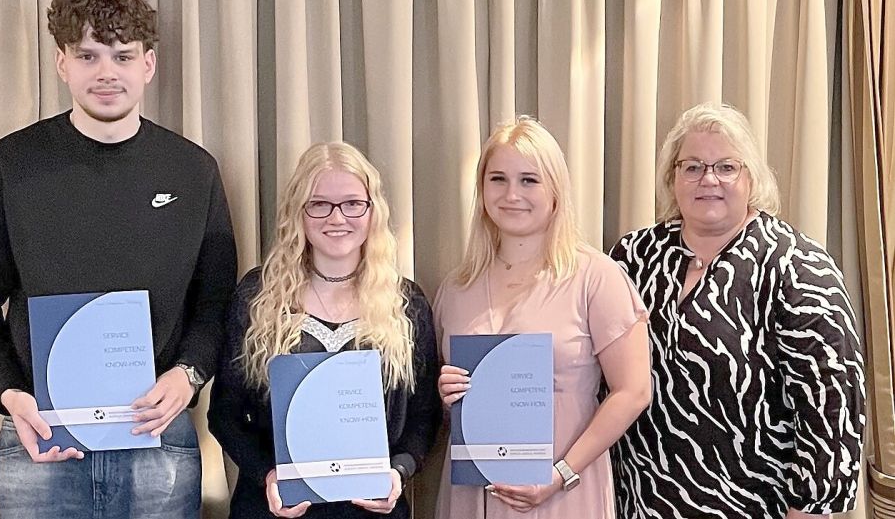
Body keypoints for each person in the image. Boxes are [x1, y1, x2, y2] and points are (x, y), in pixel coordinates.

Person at [0, 0, 237, 519]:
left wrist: (190, 373)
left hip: (157, 436)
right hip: (40, 438)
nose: (106, 72)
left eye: (122, 55)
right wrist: (9, 394)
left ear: (148, 65)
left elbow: (217, 301)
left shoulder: (192, 171)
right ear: (62, 64)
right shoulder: (14, 165)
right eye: (88, 55)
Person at [609, 102, 865, 518]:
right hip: (639, 501)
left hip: (757, 505)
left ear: (752, 177)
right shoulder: (633, 257)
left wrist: (811, 510)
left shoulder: (798, 267)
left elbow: (832, 409)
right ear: (671, 177)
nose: (708, 179)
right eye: (692, 167)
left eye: (726, 167)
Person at [208, 142, 441, 519]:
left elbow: (425, 414)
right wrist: (267, 475)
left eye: (352, 204)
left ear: (372, 211)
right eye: (319, 204)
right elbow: (224, 413)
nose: (337, 218)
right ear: (297, 212)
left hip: (373, 510)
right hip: (277, 509)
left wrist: (400, 471)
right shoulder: (258, 296)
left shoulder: (405, 303)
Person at [435, 117, 652, 518]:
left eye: (529, 180)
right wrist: (448, 395)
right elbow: (451, 412)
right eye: (498, 179)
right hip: (473, 495)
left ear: (555, 190)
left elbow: (634, 391)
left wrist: (561, 473)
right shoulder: (456, 288)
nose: (512, 194)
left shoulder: (596, 277)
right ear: (482, 189)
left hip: (563, 492)